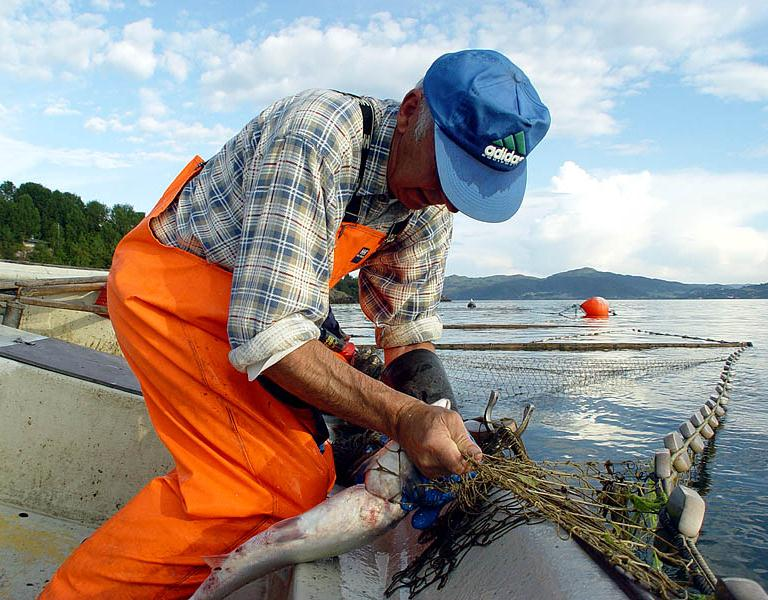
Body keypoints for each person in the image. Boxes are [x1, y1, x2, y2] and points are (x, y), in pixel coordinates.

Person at [43, 49, 550, 598]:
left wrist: (435, 410)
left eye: (469, 187)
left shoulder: (429, 203)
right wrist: (402, 419)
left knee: (315, 465)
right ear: (410, 112)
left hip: (260, 307)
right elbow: (272, 335)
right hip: (172, 293)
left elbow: (406, 330)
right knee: (258, 490)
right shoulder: (315, 137)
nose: (450, 202)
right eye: (448, 172)